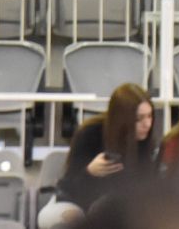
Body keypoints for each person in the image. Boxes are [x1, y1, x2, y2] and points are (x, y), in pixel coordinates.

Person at [40, 84, 158, 227]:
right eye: (138, 119)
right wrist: (90, 172)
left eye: (150, 116)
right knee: (61, 219)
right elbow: (69, 187)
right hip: (76, 200)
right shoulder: (90, 133)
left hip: (117, 208)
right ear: (122, 119)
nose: (147, 124)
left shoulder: (146, 143)